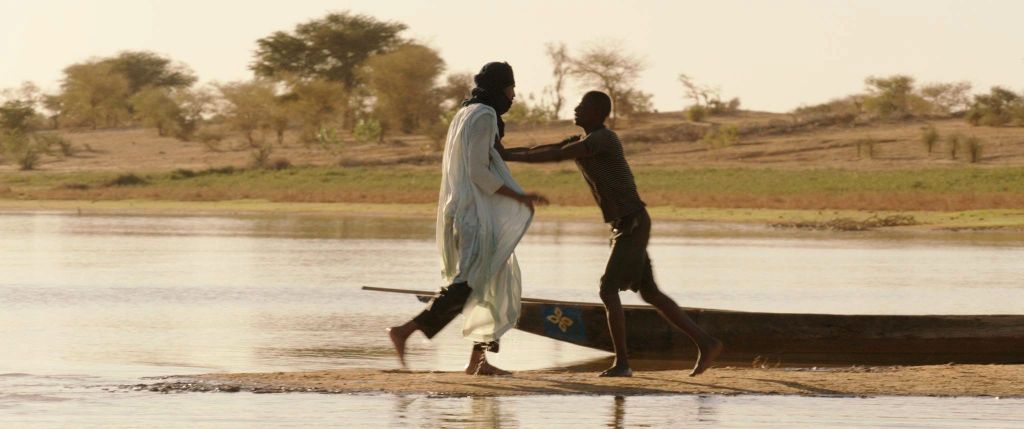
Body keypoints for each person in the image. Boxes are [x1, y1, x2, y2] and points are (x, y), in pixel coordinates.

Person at [501, 91, 723, 377]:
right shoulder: (583, 141)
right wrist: (505, 153)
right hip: (627, 224)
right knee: (651, 292)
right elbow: (549, 148)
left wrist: (505, 155)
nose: (576, 108)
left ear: (597, 113)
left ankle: (623, 363)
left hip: (632, 223)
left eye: (583, 106)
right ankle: (707, 343)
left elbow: (556, 155)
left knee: (608, 289)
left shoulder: (603, 140)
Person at [388, 62, 548, 376]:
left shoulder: (466, 112)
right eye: (510, 88)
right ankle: (405, 331)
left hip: (468, 212)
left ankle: (479, 362)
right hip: (475, 216)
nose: (513, 95)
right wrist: (519, 197)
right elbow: (477, 171)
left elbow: (486, 156)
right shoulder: (485, 114)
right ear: (500, 88)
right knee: (469, 283)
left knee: (493, 283)